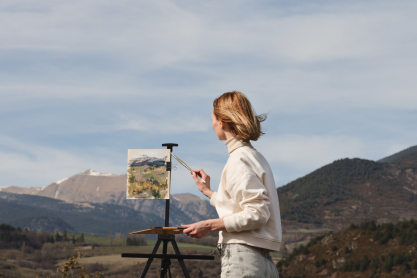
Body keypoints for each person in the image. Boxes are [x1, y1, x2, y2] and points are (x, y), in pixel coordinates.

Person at [182, 91, 282, 278]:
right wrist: (209, 192)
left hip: (244, 259)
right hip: (261, 259)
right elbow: (241, 205)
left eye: (212, 119)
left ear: (222, 122)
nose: (211, 124)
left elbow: (257, 213)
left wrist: (209, 225)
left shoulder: (239, 159)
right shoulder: (254, 156)